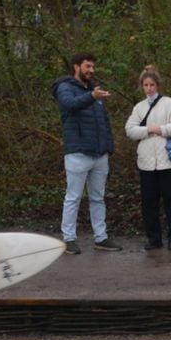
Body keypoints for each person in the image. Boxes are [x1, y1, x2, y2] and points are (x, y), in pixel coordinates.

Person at [52, 52, 115, 253]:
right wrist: (91, 96)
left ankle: (101, 237)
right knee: (73, 197)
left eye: (93, 67)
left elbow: (104, 121)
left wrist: (108, 147)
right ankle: (69, 238)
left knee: (98, 197)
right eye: (87, 66)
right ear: (76, 67)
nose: (91, 70)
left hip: (99, 154)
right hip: (78, 153)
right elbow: (70, 105)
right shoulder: (65, 88)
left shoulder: (94, 91)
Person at [123, 64, 171, 252]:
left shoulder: (169, 104)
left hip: (169, 161)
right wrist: (149, 129)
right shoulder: (139, 107)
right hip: (147, 163)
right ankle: (154, 238)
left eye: (152, 84)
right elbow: (130, 130)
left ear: (157, 85)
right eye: (145, 85)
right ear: (142, 86)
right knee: (149, 203)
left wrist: (161, 129)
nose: (149, 88)